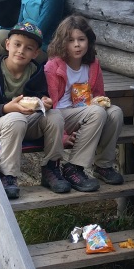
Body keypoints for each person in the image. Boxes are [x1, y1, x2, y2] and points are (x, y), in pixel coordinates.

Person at [0, 23, 72, 200]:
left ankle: (51, 168)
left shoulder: (36, 71)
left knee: (55, 116)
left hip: (28, 123)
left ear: (35, 53)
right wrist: (7, 108)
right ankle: (8, 176)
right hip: (2, 126)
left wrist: (45, 102)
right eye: (17, 44)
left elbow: (41, 97)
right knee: (15, 118)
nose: (21, 51)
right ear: (7, 45)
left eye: (28, 48)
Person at [43, 15, 125, 192]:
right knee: (97, 112)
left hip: (87, 113)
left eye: (81, 39)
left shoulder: (93, 64)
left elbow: (100, 95)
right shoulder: (53, 66)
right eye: (70, 40)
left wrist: (99, 102)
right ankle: (73, 167)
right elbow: (50, 107)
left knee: (115, 112)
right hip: (61, 115)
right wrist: (63, 136)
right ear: (62, 42)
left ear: (89, 41)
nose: (77, 45)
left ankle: (103, 165)